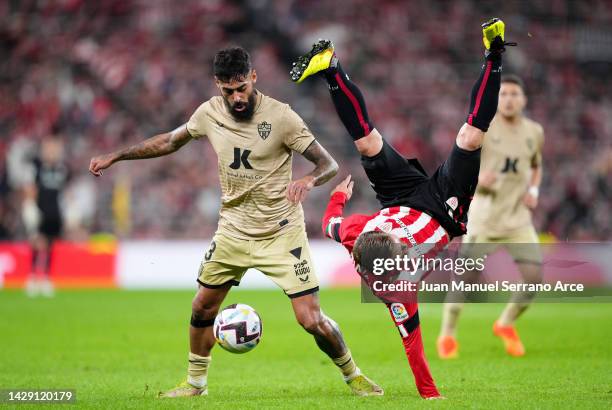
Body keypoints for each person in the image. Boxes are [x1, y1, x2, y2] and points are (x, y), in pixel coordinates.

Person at [89, 46, 382, 397]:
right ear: (217, 85)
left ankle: (354, 375)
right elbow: (169, 141)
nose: (237, 96)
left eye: (242, 87)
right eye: (228, 90)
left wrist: (308, 181)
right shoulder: (209, 113)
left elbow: (328, 164)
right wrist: (116, 155)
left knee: (311, 319)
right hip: (233, 230)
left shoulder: (282, 117)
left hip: (281, 232)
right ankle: (196, 384)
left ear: (253, 77)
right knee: (202, 306)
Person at [290, 18, 514, 399]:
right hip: (444, 211)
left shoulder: (357, 235)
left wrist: (338, 198)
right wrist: (430, 394)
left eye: (382, 231)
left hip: (399, 197)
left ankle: (330, 67)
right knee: (470, 136)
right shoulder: (398, 291)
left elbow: (332, 225)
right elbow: (413, 347)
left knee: (367, 143)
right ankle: (494, 54)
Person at [438, 75, 544, 359]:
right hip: (484, 217)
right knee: (466, 279)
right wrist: (478, 179)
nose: (509, 99)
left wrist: (533, 189)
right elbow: (459, 163)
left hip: (518, 219)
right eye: (504, 94)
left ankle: (505, 324)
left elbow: (535, 165)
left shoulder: (534, 132)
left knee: (534, 279)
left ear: (523, 100)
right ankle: (447, 333)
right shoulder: (483, 129)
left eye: (514, 94)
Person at [22, 137, 70, 297]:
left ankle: (46, 278)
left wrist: (71, 208)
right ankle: (33, 277)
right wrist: (30, 206)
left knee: (50, 244)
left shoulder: (62, 169)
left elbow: (66, 191)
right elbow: (31, 188)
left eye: (54, 150)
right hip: (40, 209)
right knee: (37, 242)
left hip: (55, 212)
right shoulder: (37, 167)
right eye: (49, 149)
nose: (52, 153)